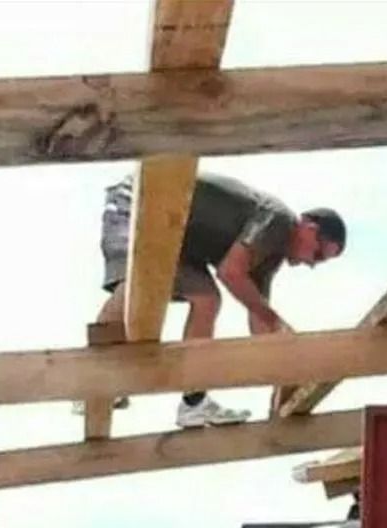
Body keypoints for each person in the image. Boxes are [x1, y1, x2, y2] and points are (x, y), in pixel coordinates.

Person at [98, 172, 346, 428]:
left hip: (179, 240)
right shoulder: (279, 221)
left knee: (205, 299)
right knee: (137, 280)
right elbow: (231, 274)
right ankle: (95, 381)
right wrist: (275, 322)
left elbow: (260, 321)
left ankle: (193, 403)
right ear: (308, 228)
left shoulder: (268, 257)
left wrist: (288, 373)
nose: (311, 264)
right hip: (139, 202)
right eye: (317, 254)